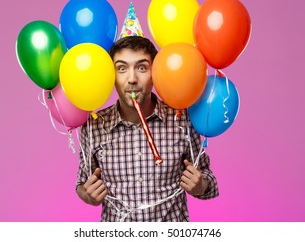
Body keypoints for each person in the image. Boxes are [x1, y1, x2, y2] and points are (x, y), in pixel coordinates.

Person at [76, 36, 219, 222]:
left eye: (142, 67)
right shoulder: (94, 126)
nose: (132, 79)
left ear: (155, 72)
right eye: (122, 68)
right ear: (111, 75)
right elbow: (81, 182)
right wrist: (86, 194)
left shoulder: (181, 119)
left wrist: (201, 186)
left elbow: (208, 179)